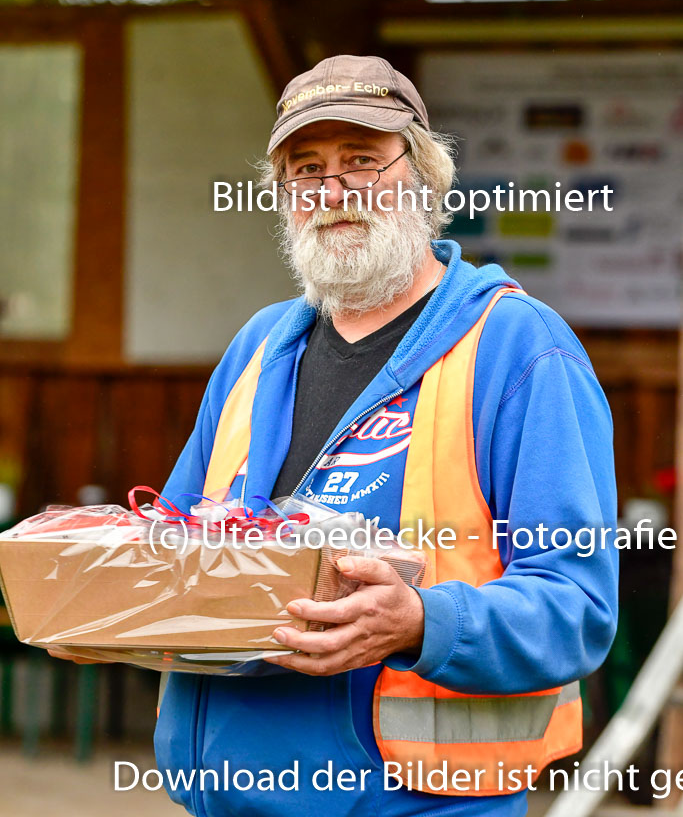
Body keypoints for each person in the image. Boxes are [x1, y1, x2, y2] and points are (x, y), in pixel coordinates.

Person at [154, 54, 619, 817]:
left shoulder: (518, 348)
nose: (333, 192)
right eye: (306, 170)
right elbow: (168, 548)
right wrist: (95, 608)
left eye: (362, 160)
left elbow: (576, 609)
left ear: (425, 176)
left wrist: (420, 623)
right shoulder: (256, 347)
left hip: (418, 803)